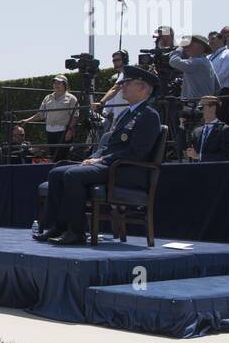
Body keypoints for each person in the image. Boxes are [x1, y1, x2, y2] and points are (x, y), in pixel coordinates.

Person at [35, 66, 162, 246]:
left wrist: (102, 160)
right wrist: (94, 157)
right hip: (110, 166)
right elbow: (110, 145)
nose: (122, 87)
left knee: (73, 175)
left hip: (126, 170)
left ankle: (76, 232)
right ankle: (59, 226)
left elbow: (137, 152)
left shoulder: (149, 115)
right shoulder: (127, 113)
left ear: (143, 88)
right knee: (57, 172)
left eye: (127, 83)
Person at [22, 76, 78, 157]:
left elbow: (75, 116)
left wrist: (70, 130)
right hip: (50, 131)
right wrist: (27, 120)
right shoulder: (48, 97)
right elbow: (40, 114)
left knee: (62, 155)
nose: (56, 85)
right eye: (54, 83)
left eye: (59, 83)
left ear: (65, 85)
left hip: (63, 131)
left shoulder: (72, 98)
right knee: (53, 155)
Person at [184, 96, 229, 162]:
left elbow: (225, 156)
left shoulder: (225, 130)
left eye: (201, 107)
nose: (199, 110)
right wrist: (182, 125)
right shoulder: (197, 131)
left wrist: (199, 156)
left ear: (213, 108)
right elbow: (183, 147)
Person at [210, 27, 229, 94]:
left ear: (221, 40)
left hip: (222, 91)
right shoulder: (209, 56)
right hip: (208, 90)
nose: (210, 42)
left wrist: (205, 84)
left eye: (213, 39)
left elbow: (223, 75)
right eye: (209, 39)